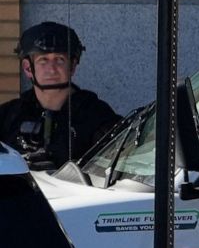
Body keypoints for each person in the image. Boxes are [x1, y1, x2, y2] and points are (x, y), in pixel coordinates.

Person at [0, 21, 121, 170]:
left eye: (59, 60)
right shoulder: (9, 116)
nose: (52, 69)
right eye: (43, 60)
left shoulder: (96, 116)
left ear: (72, 66)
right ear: (28, 68)